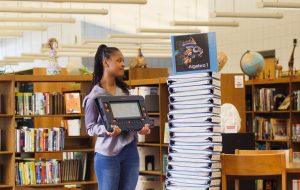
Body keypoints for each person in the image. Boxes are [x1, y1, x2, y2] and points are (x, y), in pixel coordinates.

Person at [83, 44, 151, 190]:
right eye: (119, 60)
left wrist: (141, 128)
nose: (123, 64)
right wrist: (106, 130)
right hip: (107, 155)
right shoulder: (94, 97)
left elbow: (132, 121)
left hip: (130, 151)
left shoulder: (126, 93)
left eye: (123, 61)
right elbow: (90, 128)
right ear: (106, 62)